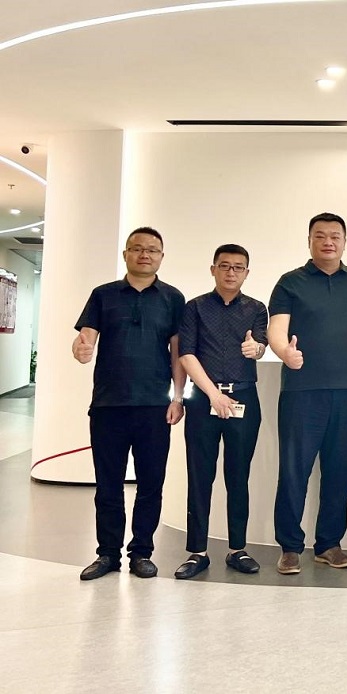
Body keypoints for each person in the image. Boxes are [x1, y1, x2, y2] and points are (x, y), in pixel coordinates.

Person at [267, 212, 347, 575]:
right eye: (320, 236)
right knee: (294, 470)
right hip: (302, 392)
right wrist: (285, 352)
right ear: (309, 241)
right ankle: (290, 547)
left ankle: (328, 544)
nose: (328, 241)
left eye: (335, 236)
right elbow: (276, 330)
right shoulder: (290, 282)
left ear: (344, 242)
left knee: (342, 470)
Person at [74, 227, 186, 580]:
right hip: (108, 406)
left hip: (155, 407)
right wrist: (81, 349)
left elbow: (178, 353)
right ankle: (107, 554)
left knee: (151, 484)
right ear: (125, 254)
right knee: (108, 485)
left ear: (161, 257)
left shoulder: (173, 298)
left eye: (152, 249)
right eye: (137, 248)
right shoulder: (103, 295)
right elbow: (86, 337)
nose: (144, 254)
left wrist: (178, 397)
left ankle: (141, 553)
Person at [173, 244, 268, 580]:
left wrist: (256, 348)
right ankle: (197, 551)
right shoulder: (195, 307)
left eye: (238, 267)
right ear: (213, 269)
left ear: (247, 273)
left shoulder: (257, 308)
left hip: (244, 398)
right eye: (224, 266)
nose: (231, 272)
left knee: (238, 475)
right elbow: (186, 354)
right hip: (203, 399)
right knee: (200, 475)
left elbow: (260, 344)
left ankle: (237, 549)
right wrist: (213, 394)